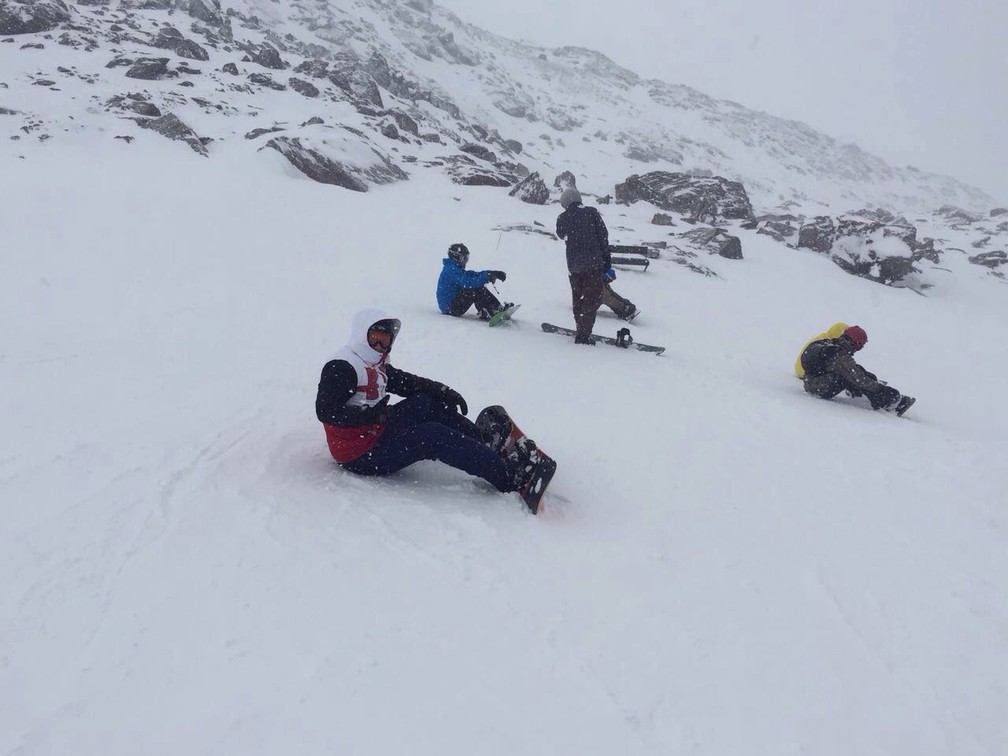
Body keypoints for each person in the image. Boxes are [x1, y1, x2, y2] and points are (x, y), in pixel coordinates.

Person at [316, 308, 538, 496]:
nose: (381, 347)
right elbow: (326, 411)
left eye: (386, 341)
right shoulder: (342, 367)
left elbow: (406, 382)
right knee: (430, 436)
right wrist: (372, 415)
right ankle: (507, 476)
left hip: (375, 431)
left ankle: (481, 441)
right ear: (360, 335)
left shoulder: (373, 363)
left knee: (424, 402)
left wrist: (442, 391)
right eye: (375, 339)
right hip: (359, 454)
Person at [799, 324, 914, 414]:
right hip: (818, 388)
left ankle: (858, 392)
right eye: (861, 345)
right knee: (851, 377)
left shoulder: (831, 345)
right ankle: (891, 403)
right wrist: (881, 389)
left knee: (854, 371)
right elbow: (858, 378)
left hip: (812, 381)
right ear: (855, 343)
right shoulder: (838, 355)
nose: (860, 349)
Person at [555, 187, 611, 344]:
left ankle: (580, 327)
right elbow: (603, 238)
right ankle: (583, 335)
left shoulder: (563, 217)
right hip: (593, 264)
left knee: (578, 298)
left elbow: (560, 234)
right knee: (592, 299)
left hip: (574, 266)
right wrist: (607, 262)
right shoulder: (592, 213)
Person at [436, 243, 510, 320]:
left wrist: (491, 273)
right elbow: (468, 282)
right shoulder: (452, 270)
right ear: (458, 257)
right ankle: (491, 311)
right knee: (474, 290)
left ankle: (496, 308)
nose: (466, 261)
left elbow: (471, 275)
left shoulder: (454, 268)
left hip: (452, 304)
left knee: (476, 288)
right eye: (465, 257)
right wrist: (486, 276)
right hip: (450, 308)